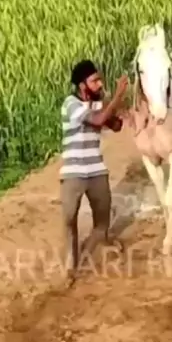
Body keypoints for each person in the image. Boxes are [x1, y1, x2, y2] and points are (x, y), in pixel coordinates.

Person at [60, 60, 128, 277]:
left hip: (97, 170)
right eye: (94, 81)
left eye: (100, 80)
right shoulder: (71, 104)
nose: (100, 84)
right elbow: (98, 121)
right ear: (82, 85)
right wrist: (117, 96)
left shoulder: (98, 104)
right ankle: (71, 262)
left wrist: (112, 105)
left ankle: (88, 255)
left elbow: (115, 126)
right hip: (73, 173)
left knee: (102, 222)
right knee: (69, 219)